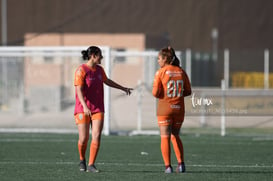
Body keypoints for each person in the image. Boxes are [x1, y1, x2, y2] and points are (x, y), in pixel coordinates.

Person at [74, 46, 133, 173]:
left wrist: (123, 88)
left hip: (97, 108)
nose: (102, 57)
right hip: (82, 109)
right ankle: (82, 159)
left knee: (96, 135)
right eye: (100, 55)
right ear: (93, 56)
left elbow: (107, 81)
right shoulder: (81, 70)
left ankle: (91, 164)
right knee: (83, 139)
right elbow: (78, 90)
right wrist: (84, 106)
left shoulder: (100, 70)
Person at [152, 46, 191, 173]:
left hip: (165, 109)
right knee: (175, 135)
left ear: (165, 59)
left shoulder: (160, 72)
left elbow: (155, 93)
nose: (158, 61)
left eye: (159, 58)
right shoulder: (181, 71)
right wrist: (177, 95)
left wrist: (165, 96)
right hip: (179, 109)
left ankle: (168, 167)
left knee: (165, 137)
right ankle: (181, 164)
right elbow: (188, 91)